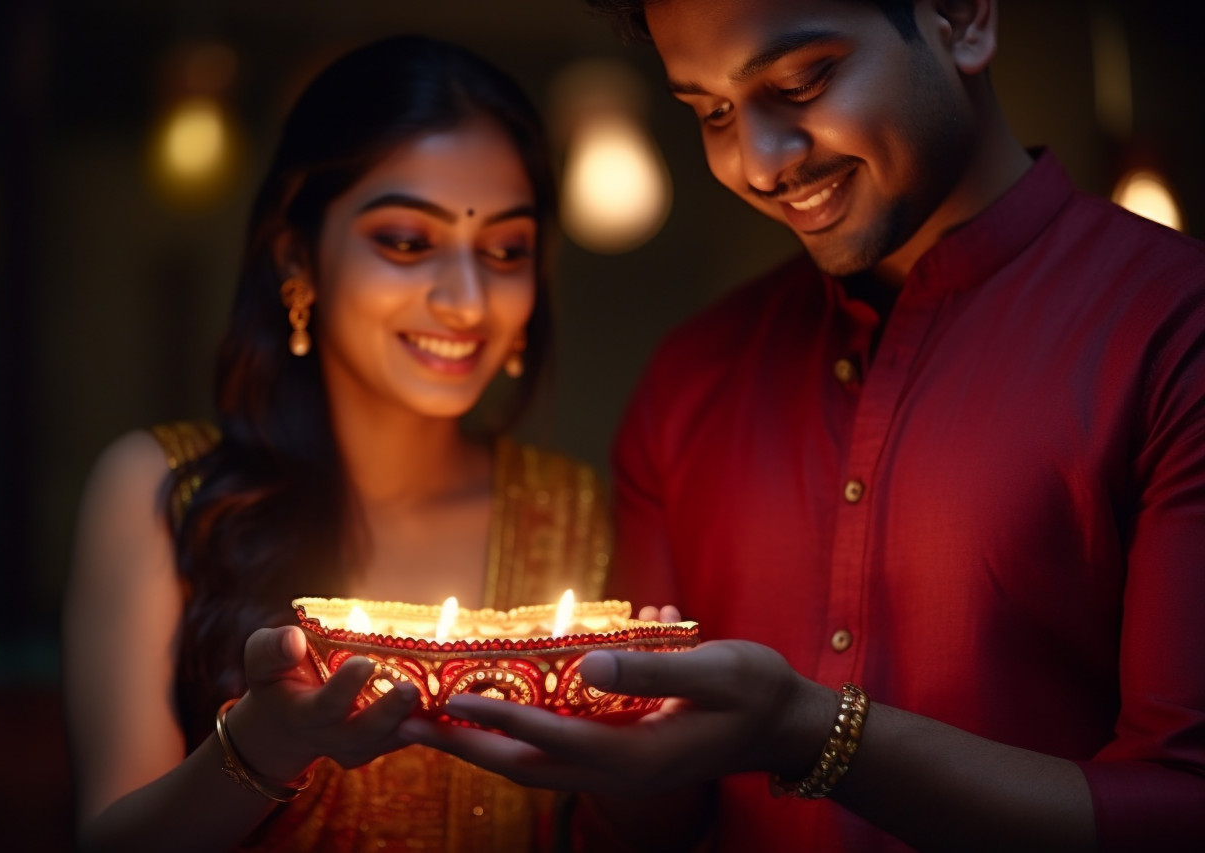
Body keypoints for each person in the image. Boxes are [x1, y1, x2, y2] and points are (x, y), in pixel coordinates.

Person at [396, 2, 1205, 851]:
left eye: (800, 82)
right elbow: (644, 827)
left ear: (963, 18)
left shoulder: (1172, 332)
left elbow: (1181, 807)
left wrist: (811, 732)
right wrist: (593, 751)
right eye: (711, 113)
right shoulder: (691, 382)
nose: (758, 161)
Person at [62, 35, 611, 853]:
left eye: (505, 251)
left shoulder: (569, 512)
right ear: (298, 259)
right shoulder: (166, 488)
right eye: (405, 241)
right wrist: (264, 744)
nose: (465, 300)